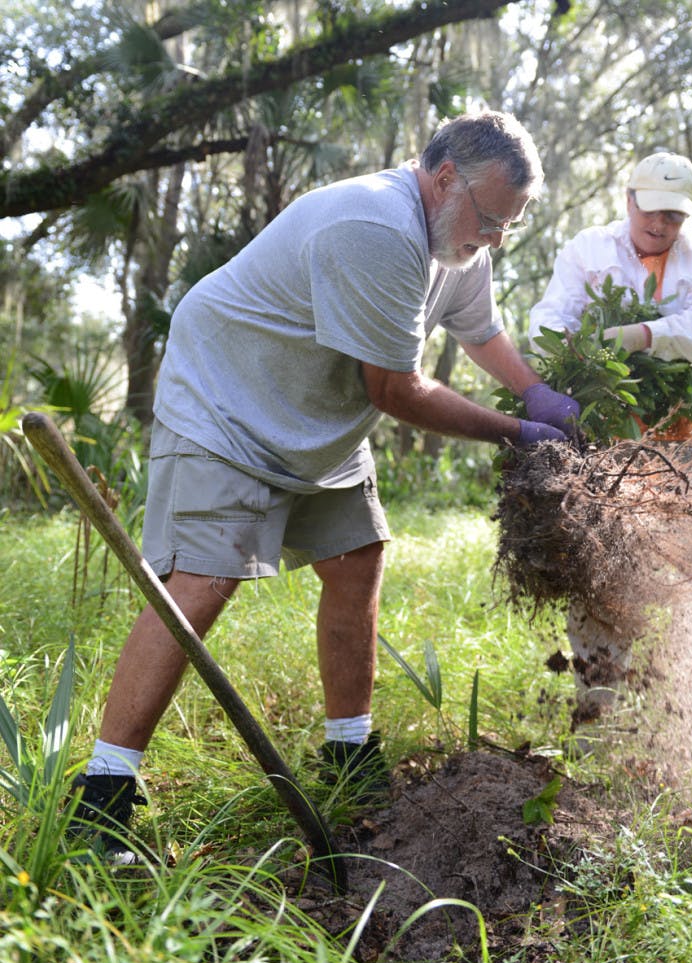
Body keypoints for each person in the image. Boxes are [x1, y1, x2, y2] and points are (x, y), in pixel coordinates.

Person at [69, 110, 580, 857]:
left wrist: (533, 390)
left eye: (510, 225)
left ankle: (348, 754)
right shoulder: (374, 226)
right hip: (227, 403)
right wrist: (514, 430)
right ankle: (102, 797)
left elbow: (478, 331)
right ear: (444, 180)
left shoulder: (459, 243)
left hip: (316, 415)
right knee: (201, 586)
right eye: (492, 219)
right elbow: (396, 392)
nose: (496, 237)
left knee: (357, 557)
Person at [528, 151, 692, 717]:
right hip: (611, 432)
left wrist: (643, 335)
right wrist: (578, 344)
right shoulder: (588, 249)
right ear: (629, 200)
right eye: (651, 212)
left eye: (673, 217)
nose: (660, 226)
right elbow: (548, 318)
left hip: (690, 432)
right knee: (602, 558)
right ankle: (601, 699)